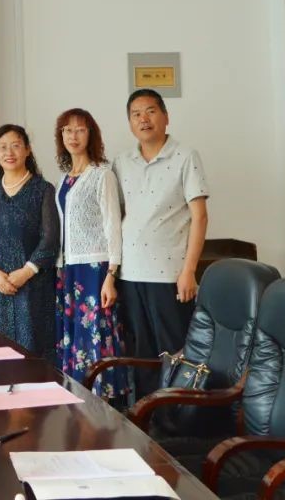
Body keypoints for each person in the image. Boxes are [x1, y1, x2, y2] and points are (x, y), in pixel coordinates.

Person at [113, 89, 209, 397]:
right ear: (130, 123)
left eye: (151, 111)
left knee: (175, 351)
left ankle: (177, 414)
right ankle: (146, 414)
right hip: (130, 274)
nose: (144, 119)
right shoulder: (121, 162)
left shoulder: (185, 156)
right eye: (136, 114)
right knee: (140, 353)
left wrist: (189, 271)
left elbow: (200, 217)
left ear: (166, 117)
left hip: (170, 276)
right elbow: (117, 217)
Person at [52, 109, 127, 399]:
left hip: (95, 270)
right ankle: (78, 394)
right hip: (68, 268)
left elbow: (113, 225)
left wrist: (111, 274)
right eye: (67, 130)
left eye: (80, 130)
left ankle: (103, 398)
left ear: (91, 135)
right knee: (73, 334)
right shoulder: (64, 178)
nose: (73, 136)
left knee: (96, 331)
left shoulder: (102, 175)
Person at [0, 124, 59, 359]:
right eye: (2, 147)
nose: (9, 153)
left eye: (15, 146)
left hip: (33, 287)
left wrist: (26, 272)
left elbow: (50, 239)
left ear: (27, 150)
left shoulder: (43, 190)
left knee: (32, 355)